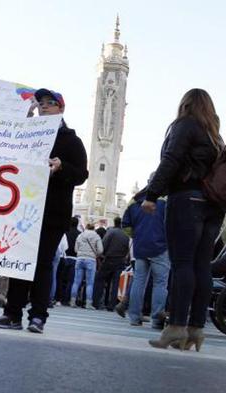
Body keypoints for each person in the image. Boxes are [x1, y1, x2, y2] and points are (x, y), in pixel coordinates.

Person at [0, 88, 88, 333]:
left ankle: (38, 316)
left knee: (43, 263)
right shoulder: (26, 134)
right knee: (19, 260)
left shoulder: (70, 140)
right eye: (41, 102)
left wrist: (62, 167)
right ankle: (12, 313)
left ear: (61, 108)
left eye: (50, 103)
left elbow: (82, 175)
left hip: (52, 211)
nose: (44, 106)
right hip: (23, 208)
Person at [143, 88, 225, 351]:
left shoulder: (185, 125)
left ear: (186, 104)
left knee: (182, 264)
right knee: (202, 266)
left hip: (186, 199)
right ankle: (196, 329)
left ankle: (176, 326)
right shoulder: (216, 137)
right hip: (214, 206)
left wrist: (152, 194)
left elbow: (172, 159)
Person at [122, 177, 170, 329]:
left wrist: (136, 237)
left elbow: (126, 225)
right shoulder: (167, 199)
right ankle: (157, 319)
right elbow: (173, 224)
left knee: (138, 281)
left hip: (140, 247)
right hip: (161, 247)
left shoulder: (134, 201)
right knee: (160, 283)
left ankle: (134, 317)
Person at [92, 217, 130, 311]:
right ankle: (112, 305)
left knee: (100, 279)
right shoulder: (126, 235)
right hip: (120, 260)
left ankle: (96, 302)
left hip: (109, 259)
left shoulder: (111, 232)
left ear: (114, 222)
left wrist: (103, 255)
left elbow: (104, 244)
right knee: (116, 284)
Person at [71, 223, 102, 309]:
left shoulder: (80, 235)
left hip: (80, 259)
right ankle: (88, 303)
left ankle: (72, 301)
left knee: (76, 281)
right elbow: (100, 250)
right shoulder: (96, 236)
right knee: (90, 283)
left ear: (86, 227)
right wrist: (95, 254)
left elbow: (75, 249)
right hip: (91, 260)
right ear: (94, 228)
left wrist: (81, 252)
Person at [57, 216, 81, 305]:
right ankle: (67, 299)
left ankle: (60, 298)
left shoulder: (65, 232)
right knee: (71, 280)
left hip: (65, 257)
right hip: (75, 258)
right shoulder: (80, 234)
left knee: (61, 279)